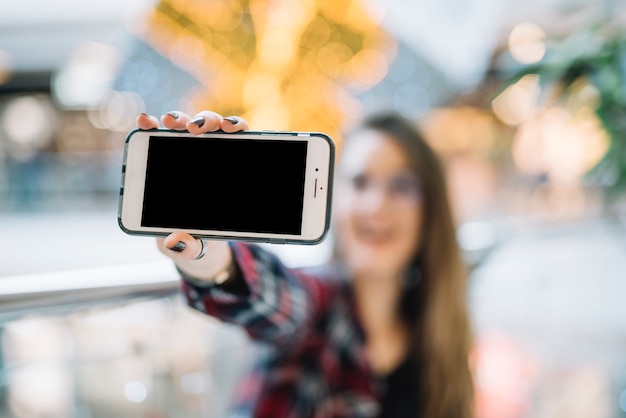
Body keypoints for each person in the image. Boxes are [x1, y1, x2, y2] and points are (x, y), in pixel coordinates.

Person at [136, 109, 474, 418]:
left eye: (401, 186)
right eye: (359, 182)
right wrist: (212, 259)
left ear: (430, 209)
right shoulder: (317, 303)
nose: (376, 205)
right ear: (336, 200)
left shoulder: (441, 338)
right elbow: (273, 297)